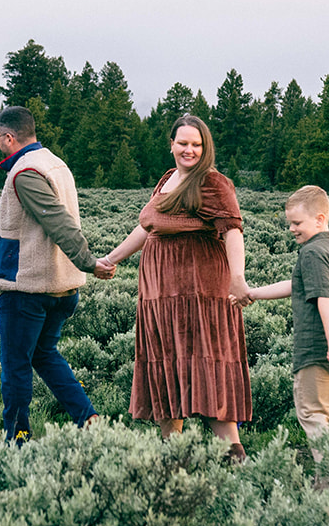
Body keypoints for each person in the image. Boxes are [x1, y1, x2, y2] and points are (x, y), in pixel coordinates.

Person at [97, 115, 251, 461]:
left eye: (196, 144)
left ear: (205, 147)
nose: (189, 150)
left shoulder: (214, 183)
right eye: (183, 143)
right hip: (160, 296)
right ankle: (174, 460)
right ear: (171, 145)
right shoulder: (167, 180)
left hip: (200, 293)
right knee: (168, 366)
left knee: (209, 364)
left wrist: (237, 278)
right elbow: (148, 227)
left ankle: (235, 457)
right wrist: (113, 258)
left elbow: (233, 231)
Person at [0, 105, 100, 444]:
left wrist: (89, 262)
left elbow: (57, 221)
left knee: (16, 367)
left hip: (29, 287)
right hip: (62, 287)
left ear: (9, 137)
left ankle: (16, 440)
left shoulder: (26, 171)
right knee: (44, 355)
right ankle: (87, 417)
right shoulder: (55, 163)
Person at [244, 186, 329, 458]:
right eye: (290, 223)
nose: (292, 229)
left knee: (314, 416)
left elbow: (324, 297)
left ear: (319, 219)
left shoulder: (312, 252)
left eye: (297, 223)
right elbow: (298, 285)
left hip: (319, 351)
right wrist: (254, 294)